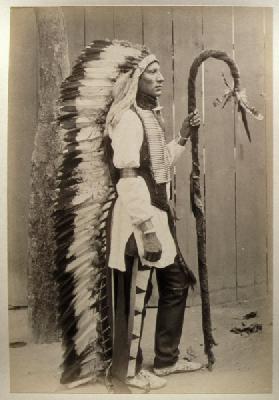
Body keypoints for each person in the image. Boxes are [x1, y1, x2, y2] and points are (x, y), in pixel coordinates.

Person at [104, 51, 202, 390]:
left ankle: (166, 360)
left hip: (156, 212)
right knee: (135, 294)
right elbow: (129, 177)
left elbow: (157, 167)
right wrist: (146, 229)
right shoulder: (129, 119)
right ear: (135, 80)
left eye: (161, 73)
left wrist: (183, 136)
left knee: (174, 283)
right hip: (137, 218)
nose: (160, 78)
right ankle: (127, 373)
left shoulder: (148, 116)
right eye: (152, 73)